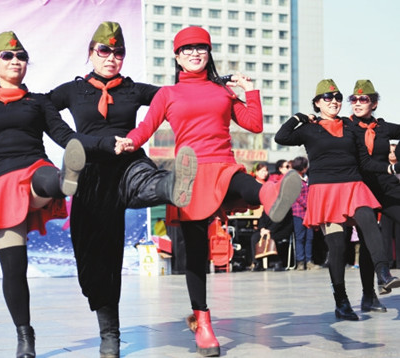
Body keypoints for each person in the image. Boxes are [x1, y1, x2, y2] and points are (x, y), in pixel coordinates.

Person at [116, 26, 301, 356]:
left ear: (209, 52)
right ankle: (202, 322)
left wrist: (250, 90)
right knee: (196, 253)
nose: (195, 53)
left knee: (238, 178)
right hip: (189, 175)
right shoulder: (167, 95)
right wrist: (129, 141)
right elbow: (146, 128)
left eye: (201, 47)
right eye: (187, 49)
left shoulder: (222, 92)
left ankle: (272, 197)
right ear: (176, 56)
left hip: (222, 164)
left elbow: (255, 125)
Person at [0, 31, 116, 358]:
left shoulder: (39, 101)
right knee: (14, 268)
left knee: (45, 177)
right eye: (8, 56)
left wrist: (104, 144)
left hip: (34, 168)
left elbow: (65, 135)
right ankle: (25, 336)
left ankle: (66, 180)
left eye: (21, 57)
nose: (16, 62)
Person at [47, 22, 197, 358]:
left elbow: (175, 97)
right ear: (91, 53)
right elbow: (39, 108)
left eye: (118, 52)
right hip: (88, 174)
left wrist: (213, 87)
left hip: (129, 163)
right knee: (95, 260)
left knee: (146, 182)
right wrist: (74, 141)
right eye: (104, 51)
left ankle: (174, 184)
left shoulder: (133, 90)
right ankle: (108, 330)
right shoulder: (72, 91)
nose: (111, 57)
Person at [275, 79, 400, 321]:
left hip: (353, 186)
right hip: (325, 192)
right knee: (338, 247)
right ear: (317, 103)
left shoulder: (350, 127)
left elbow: (365, 162)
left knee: (369, 222)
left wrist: (390, 170)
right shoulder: (308, 129)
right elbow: (282, 137)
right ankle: (341, 302)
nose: (334, 101)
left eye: (338, 97)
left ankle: (384, 274)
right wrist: (299, 117)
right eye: (327, 97)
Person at [346, 79, 400, 311]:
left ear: (374, 103)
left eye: (363, 99)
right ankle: (369, 296)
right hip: (360, 188)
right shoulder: (346, 127)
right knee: (370, 241)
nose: (357, 103)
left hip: (386, 185)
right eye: (354, 99)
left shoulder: (383, 127)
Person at [290, 156, 317, 270]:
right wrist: (307, 204)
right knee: (300, 238)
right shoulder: (293, 179)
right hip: (298, 212)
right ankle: (300, 262)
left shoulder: (308, 178)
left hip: (309, 213)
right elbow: (296, 195)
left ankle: (309, 260)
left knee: (309, 238)